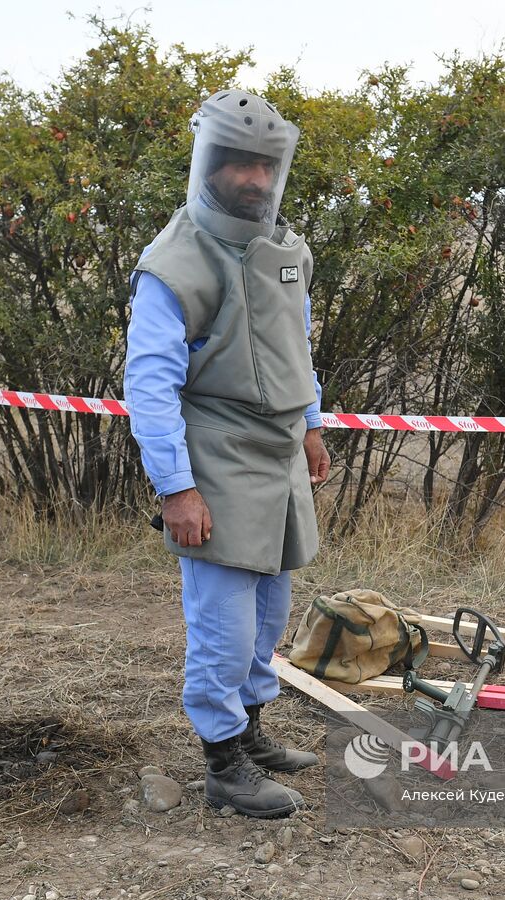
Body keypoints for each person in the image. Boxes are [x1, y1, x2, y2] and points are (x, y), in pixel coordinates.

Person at [123, 90, 330, 819]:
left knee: (271, 612)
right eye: (237, 160)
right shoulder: (174, 263)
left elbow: (296, 344)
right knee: (225, 622)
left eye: (265, 164)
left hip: (278, 456)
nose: (253, 178)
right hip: (213, 457)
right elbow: (149, 386)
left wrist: (310, 421)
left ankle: (252, 732)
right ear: (207, 162)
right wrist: (176, 487)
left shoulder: (285, 252)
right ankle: (222, 763)